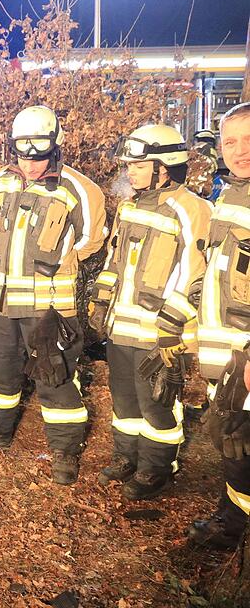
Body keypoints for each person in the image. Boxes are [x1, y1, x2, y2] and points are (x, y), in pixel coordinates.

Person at [0, 106, 106, 484]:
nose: (32, 166)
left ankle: (64, 450)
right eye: (25, 156)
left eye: (39, 158)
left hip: (49, 307)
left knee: (55, 377)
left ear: (55, 147)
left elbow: (91, 240)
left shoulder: (80, 189)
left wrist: (58, 264)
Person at [89, 123, 210, 500]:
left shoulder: (193, 209)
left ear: (164, 166)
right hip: (121, 327)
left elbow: (197, 273)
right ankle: (127, 457)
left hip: (160, 333)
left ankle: (157, 468)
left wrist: (171, 325)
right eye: (129, 165)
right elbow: (114, 259)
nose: (130, 172)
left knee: (158, 404)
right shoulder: (129, 207)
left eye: (138, 165)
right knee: (124, 400)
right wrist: (100, 300)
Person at [188, 102, 250, 549]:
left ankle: (233, 535)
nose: (240, 151)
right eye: (231, 142)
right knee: (233, 446)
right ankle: (231, 521)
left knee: (243, 450)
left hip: (245, 357)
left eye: (249, 140)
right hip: (225, 356)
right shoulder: (229, 196)